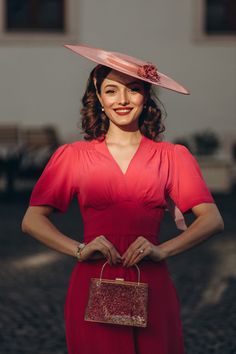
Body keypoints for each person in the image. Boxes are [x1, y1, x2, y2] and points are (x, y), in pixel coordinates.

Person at [22, 44, 224, 354]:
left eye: (133, 89)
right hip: (93, 281)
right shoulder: (73, 156)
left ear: (146, 98)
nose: (123, 99)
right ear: (99, 99)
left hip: (151, 283)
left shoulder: (173, 157)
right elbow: (32, 220)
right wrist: (78, 249)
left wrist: (163, 250)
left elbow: (212, 219)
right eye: (112, 90)